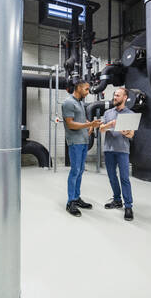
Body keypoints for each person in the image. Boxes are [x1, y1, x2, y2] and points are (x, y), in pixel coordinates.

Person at [62, 81, 102, 217]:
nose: (88, 91)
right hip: (75, 142)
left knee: (80, 171)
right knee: (75, 171)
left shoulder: (79, 102)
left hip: (83, 141)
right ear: (78, 88)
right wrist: (89, 124)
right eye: (86, 89)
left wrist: (90, 125)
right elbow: (70, 124)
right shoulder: (68, 102)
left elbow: (81, 119)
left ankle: (76, 197)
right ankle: (70, 202)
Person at [99, 87, 135, 221]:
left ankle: (128, 206)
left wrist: (125, 132)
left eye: (118, 95)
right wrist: (110, 124)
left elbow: (131, 134)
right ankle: (117, 200)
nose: (115, 97)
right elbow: (101, 129)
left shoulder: (130, 114)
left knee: (124, 178)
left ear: (125, 97)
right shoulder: (108, 113)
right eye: (114, 95)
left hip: (122, 150)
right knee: (112, 177)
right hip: (109, 150)